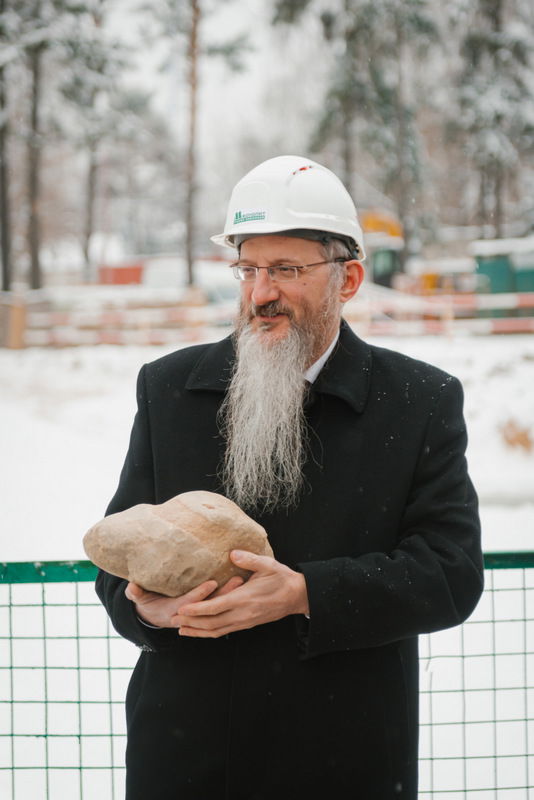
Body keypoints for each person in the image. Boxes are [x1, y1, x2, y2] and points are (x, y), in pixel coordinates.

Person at [96, 155, 483, 800]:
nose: (260, 293)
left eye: (286, 270)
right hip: (186, 754)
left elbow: (450, 572)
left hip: (342, 753)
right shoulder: (169, 388)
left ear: (349, 278)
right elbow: (117, 557)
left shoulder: (418, 402)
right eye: (247, 268)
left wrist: (305, 593)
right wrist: (145, 607)